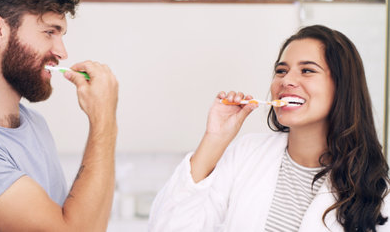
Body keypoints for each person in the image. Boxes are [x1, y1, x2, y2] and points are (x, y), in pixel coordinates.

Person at [148, 25, 390, 232]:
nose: (286, 81)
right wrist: (214, 139)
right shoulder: (246, 154)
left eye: (307, 70)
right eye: (281, 71)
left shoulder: (379, 191)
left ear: (343, 86)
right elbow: (168, 226)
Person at [0, 0, 118, 231]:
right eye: (49, 32)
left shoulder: (35, 124)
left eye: (61, 35)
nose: (62, 52)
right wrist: (104, 118)